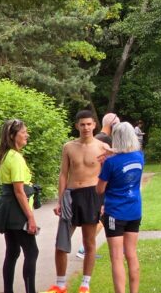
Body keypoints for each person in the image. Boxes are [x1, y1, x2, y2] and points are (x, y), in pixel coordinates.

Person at [47, 110, 111, 293]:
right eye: (82, 124)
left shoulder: (102, 147)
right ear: (77, 126)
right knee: (61, 243)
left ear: (94, 125)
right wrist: (60, 200)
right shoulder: (69, 147)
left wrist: (104, 201)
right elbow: (63, 174)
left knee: (89, 242)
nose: (86, 127)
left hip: (93, 195)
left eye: (89, 124)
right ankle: (60, 285)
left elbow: (108, 176)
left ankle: (85, 285)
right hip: (71, 195)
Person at [0, 119, 38, 293]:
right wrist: (31, 218)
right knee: (32, 252)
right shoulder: (15, 157)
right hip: (16, 210)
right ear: (13, 136)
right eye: (23, 132)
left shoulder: (4, 156)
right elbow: (19, 191)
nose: (27, 135)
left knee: (12, 252)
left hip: (7, 208)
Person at [97, 122, 144, 293]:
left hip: (115, 213)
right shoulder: (139, 157)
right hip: (134, 210)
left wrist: (105, 163)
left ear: (115, 138)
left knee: (117, 258)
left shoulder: (110, 163)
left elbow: (100, 189)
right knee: (131, 254)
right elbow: (126, 155)